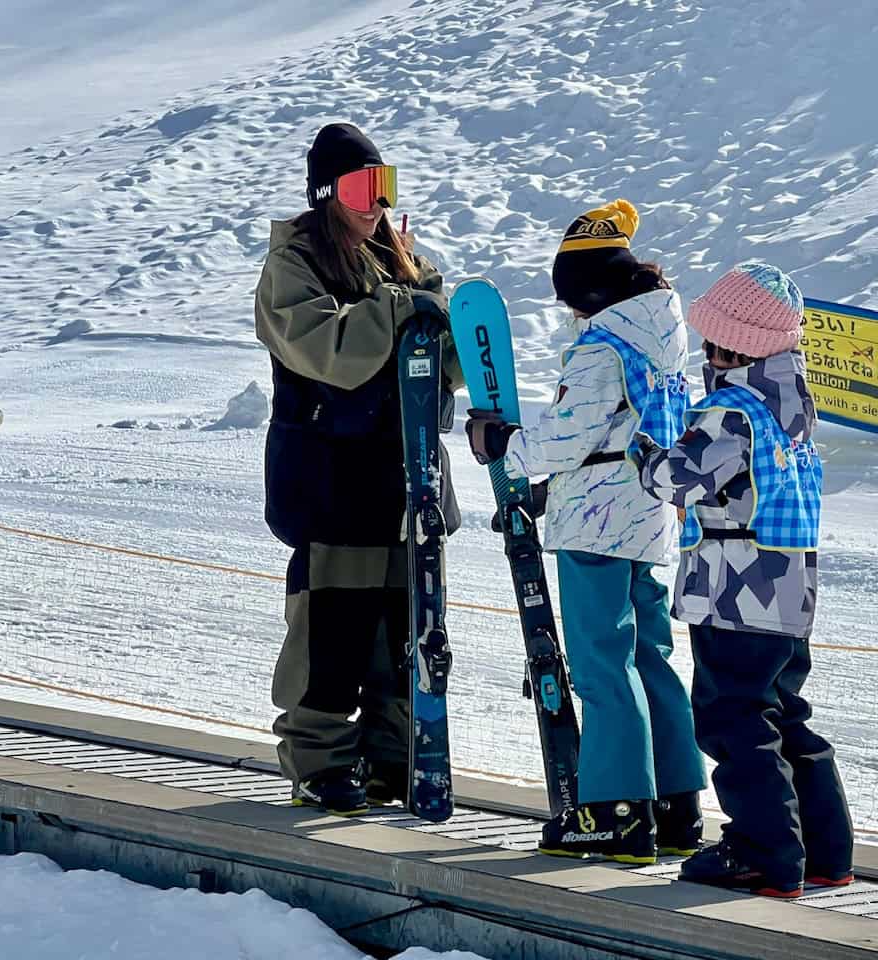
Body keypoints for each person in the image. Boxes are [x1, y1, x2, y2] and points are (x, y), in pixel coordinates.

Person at [466, 200, 707, 864]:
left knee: (603, 663)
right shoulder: (661, 336)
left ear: (589, 290)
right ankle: (675, 803)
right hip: (648, 515)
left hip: (597, 522)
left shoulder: (603, 346)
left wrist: (506, 445)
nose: (570, 312)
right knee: (649, 655)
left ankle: (616, 812)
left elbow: (569, 436)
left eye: (570, 299)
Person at [255, 122, 462, 816]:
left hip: (405, 479)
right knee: (332, 632)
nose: (375, 203)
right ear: (325, 194)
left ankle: (391, 757)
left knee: (402, 631)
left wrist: (437, 314)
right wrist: (404, 305)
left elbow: (446, 364)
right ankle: (319, 761)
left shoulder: (399, 258)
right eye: (358, 189)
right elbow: (331, 352)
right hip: (332, 480)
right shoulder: (294, 266)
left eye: (383, 185)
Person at [635, 261, 854, 897]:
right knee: (783, 712)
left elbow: (677, 479)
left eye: (716, 344)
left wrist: (649, 444)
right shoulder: (792, 409)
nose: (709, 354)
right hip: (789, 590)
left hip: (735, 591)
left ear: (737, 347)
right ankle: (825, 850)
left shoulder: (731, 412)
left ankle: (764, 852)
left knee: (733, 717)